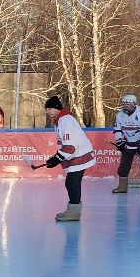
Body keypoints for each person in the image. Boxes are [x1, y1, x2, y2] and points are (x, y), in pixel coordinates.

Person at [28, 94, 94, 222]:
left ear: (57, 108)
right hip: (75, 155)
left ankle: (74, 213)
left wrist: (57, 158)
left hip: (79, 154)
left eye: (49, 109)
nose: (47, 112)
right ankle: (73, 212)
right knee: (72, 183)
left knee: (72, 183)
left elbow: (70, 147)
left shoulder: (66, 120)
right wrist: (56, 158)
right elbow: (63, 144)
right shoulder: (59, 121)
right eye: (46, 109)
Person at [111, 93, 140, 195]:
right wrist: (119, 141)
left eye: (128, 104)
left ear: (134, 104)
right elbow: (117, 130)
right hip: (128, 144)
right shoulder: (119, 115)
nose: (125, 106)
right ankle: (122, 187)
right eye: (124, 104)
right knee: (123, 167)